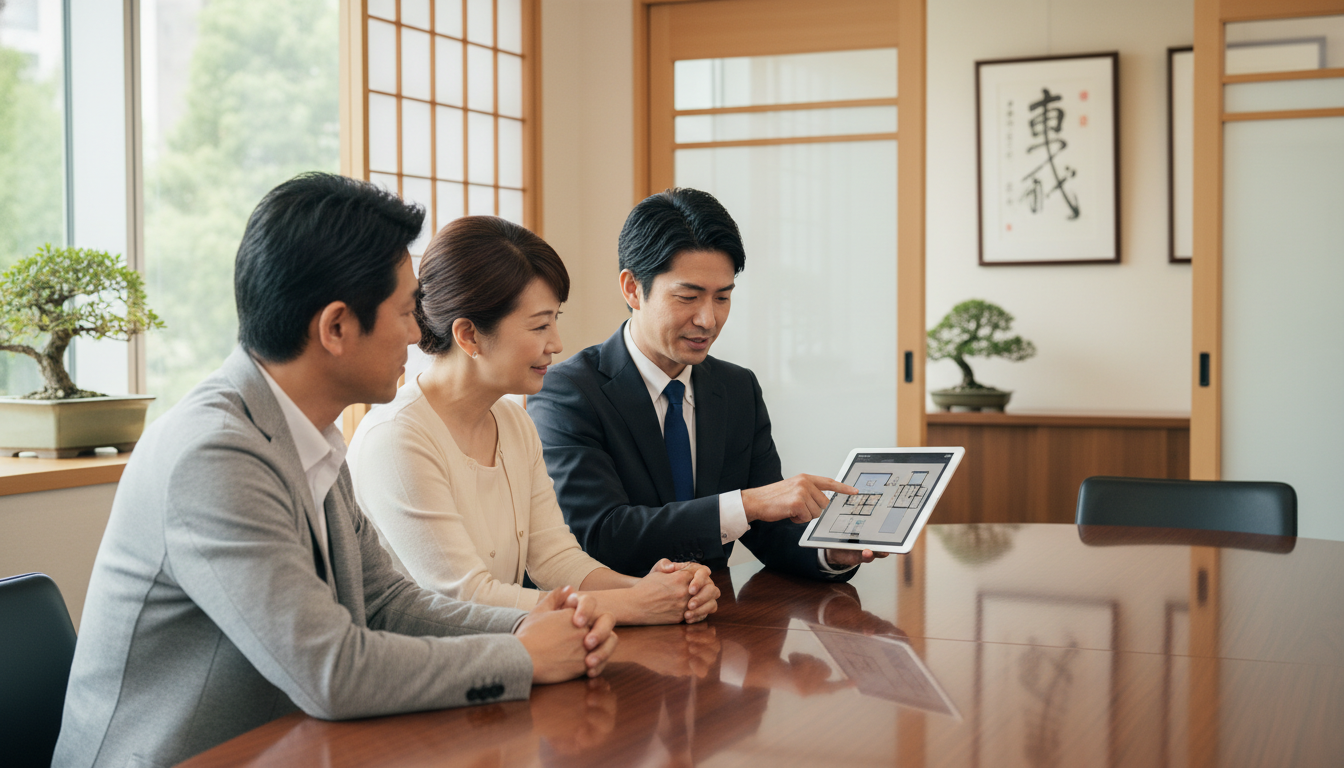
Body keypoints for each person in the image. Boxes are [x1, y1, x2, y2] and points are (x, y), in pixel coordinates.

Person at [53, 174, 617, 768]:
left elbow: (387, 601)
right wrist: (525, 658)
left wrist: (524, 626)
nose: (414, 332)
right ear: (336, 327)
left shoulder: (309, 431)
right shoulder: (215, 455)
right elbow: (331, 670)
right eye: (404, 311)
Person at [349, 215, 720, 625]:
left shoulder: (512, 421)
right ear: (469, 335)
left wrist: (656, 589)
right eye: (540, 325)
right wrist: (636, 605)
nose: (556, 343)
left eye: (555, 320)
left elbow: (555, 558)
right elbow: (466, 598)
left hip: (512, 656)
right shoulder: (397, 437)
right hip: (429, 674)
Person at [527, 187, 885, 579]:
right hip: (612, 622)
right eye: (688, 297)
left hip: (716, 617)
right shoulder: (567, 392)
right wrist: (745, 505)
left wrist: (829, 552)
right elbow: (601, 535)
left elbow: (769, 529)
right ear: (632, 288)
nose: (708, 320)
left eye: (722, 298)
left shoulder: (737, 388)